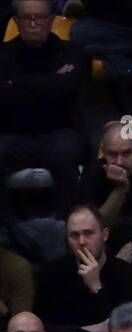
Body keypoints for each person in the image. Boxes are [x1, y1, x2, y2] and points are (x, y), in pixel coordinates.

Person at [0, 0, 85, 217]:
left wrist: (16, 83)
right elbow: (3, 97)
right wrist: (51, 82)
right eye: (26, 18)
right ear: (16, 21)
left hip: (61, 133)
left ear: (51, 20)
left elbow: (68, 88)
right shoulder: (3, 54)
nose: (33, 23)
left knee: (66, 152)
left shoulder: (72, 52)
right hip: (14, 136)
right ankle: (7, 229)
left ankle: (69, 224)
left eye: (39, 17)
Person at [34, 207, 132, 332]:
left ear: (104, 235)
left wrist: (96, 286)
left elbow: (126, 329)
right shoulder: (52, 273)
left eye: (88, 233)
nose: (82, 241)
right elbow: (42, 329)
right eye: (74, 235)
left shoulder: (126, 274)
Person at [78, 121, 132, 268]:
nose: (119, 162)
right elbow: (93, 229)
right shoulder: (93, 173)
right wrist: (120, 190)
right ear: (104, 153)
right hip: (110, 244)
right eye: (112, 154)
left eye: (127, 153)